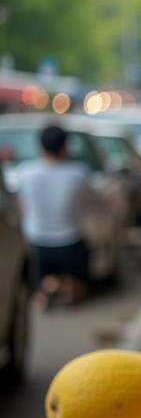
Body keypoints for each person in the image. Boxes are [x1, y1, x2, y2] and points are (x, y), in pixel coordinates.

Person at [16, 124, 95, 307]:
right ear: (65, 147)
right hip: (70, 243)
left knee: (39, 271)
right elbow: (90, 203)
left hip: (36, 241)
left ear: (40, 147)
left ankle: (47, 286)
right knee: (81, 277)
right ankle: (68, 285)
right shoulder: (79, 173)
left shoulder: (25, 173)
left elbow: (22, 206)